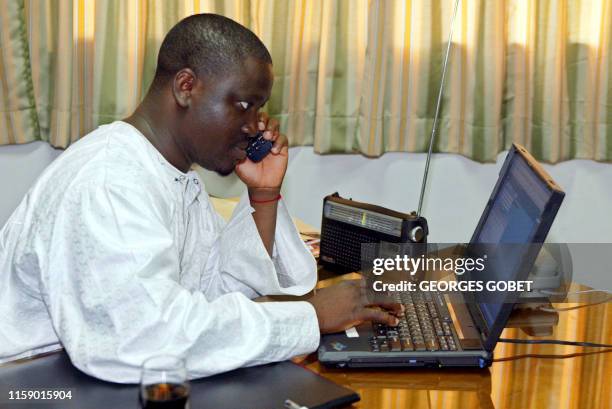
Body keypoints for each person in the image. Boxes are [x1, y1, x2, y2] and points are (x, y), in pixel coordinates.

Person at [0, 13, 400, 383]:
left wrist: (262, 195)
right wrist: (311, 316)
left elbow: (216, 295)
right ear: (186, 86)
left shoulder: (175, 176)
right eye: (244, 105)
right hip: (34, 385)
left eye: (260, 109)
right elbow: (145, 338)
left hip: (91, 375)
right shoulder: (108, 182)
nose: (254, 126)